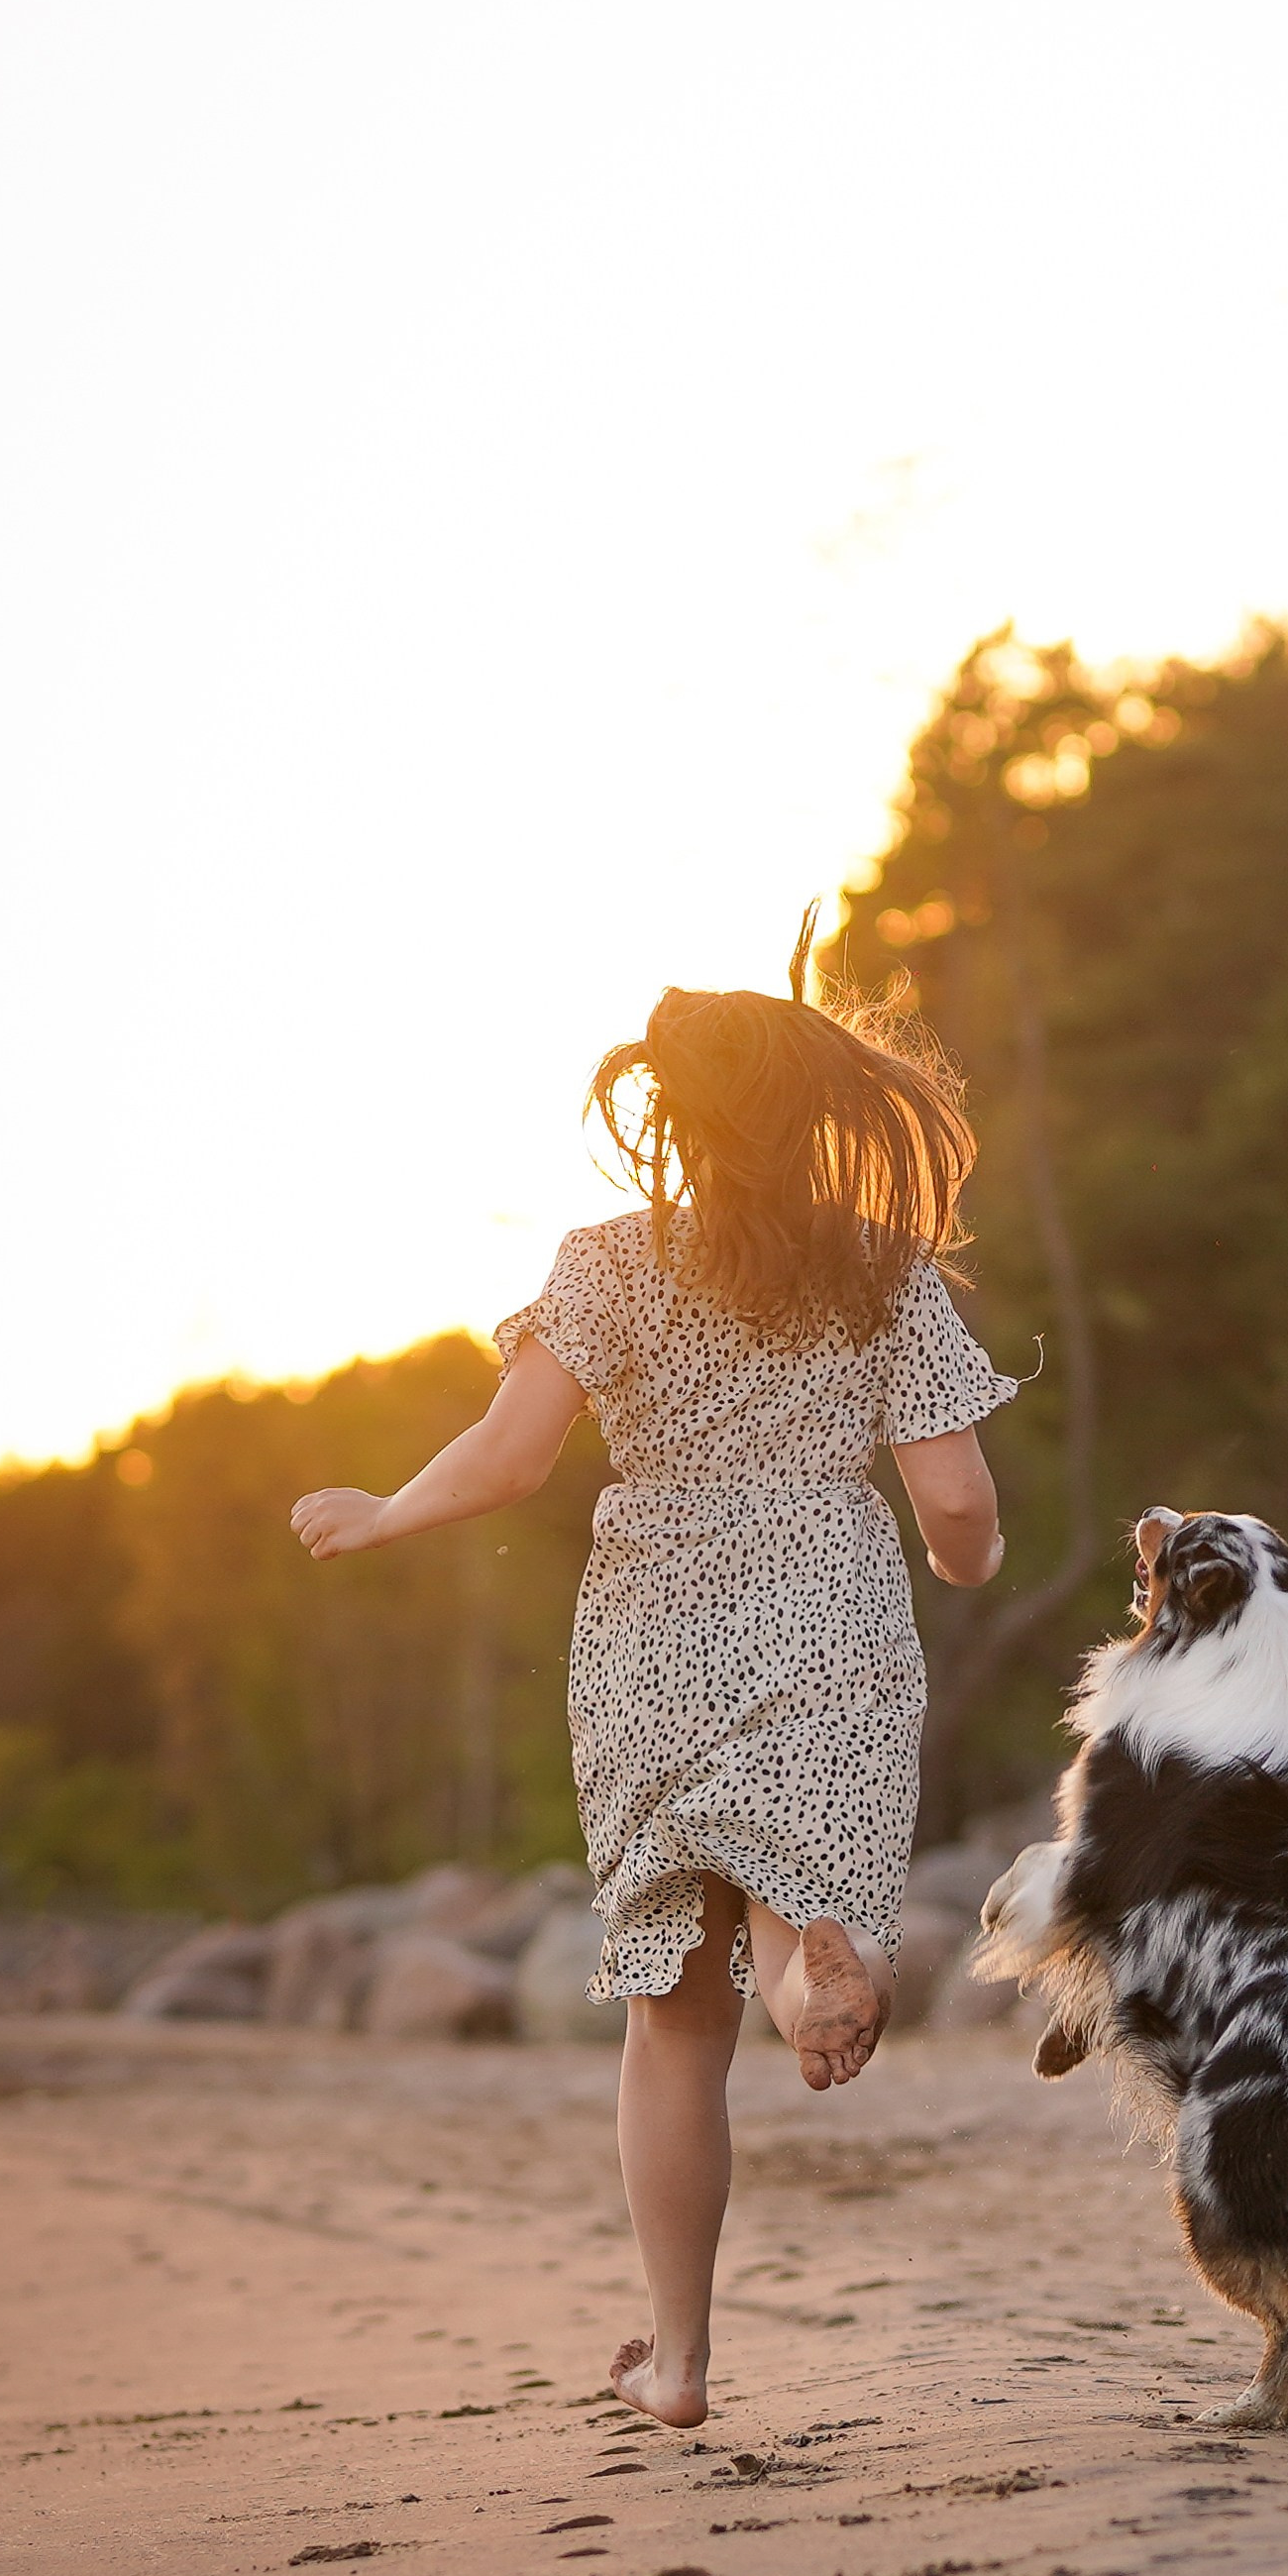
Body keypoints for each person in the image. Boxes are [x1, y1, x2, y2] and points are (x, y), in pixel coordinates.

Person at [288, 932, 1014, 2427]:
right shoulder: (883, 1271)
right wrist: (969, 1568)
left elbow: (509, 1458)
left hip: (651, 1636)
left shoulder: (609, 1264)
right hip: (826, 1606)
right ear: (823, 1115)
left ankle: (677, 2364)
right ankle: (820, 1944)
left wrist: (383, 1512)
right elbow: (952, 1501)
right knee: (799, 1845)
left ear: (673, 1120)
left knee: (672, 2028)